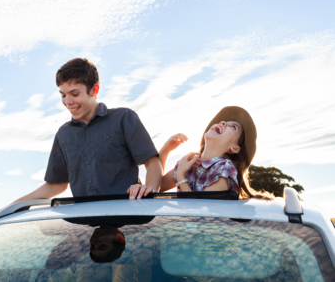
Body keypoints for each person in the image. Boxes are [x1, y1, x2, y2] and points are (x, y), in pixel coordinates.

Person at [14, 58, 162, 203]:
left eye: (75, 94)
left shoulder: (123, 118)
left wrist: (149, 191)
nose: (67, 102)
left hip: (128, 217)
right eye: (63, 95)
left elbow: (152, 162)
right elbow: (56, 185)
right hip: (87, 223)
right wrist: (15, 205)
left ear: (94, 90)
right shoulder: (63, 134)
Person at [130, 106, 273, 199]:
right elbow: (157, 186)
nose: (223, 123)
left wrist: (180, 176)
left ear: (235, 148)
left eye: (233, 127)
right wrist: (165, 150)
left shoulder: (225, 167)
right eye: (224, 122)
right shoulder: (188, 163)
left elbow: (202, 211)